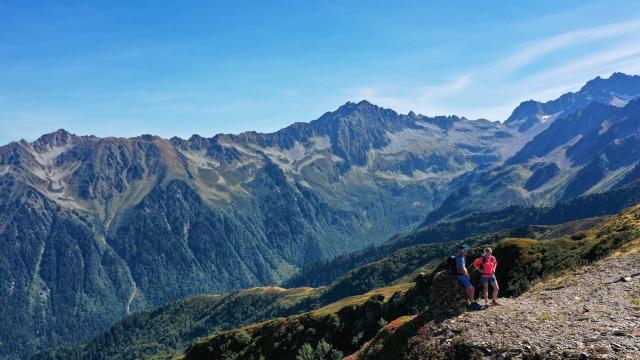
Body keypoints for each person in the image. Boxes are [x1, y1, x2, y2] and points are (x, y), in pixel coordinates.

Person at [456, 245, 482, 310]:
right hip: (461, 276)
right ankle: (472, 303)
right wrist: (467, 275)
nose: (466, 251)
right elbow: (463, 268)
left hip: (458, 275)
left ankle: (468, 303)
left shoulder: (457, 257)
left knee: (468, 288)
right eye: (466, 250)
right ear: (463, 250)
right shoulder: (461, 258)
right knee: (472, 288)